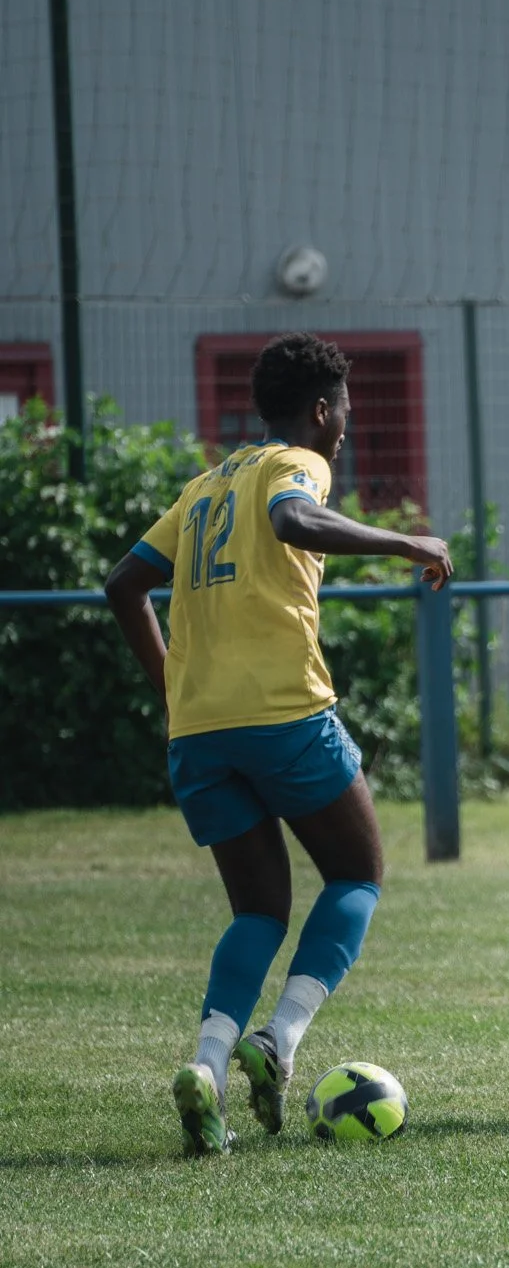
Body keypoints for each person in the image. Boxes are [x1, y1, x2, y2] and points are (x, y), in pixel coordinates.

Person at [105, 331, 453, 1155]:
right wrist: (407, 542)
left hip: (199, 731)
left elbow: (123, 585)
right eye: (345, 416)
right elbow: (294, 519)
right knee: (358, 873)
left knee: (258, 907)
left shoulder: (203, 487)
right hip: (284, 714)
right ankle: (280, 1041)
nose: (346, 431)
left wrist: (171, 686)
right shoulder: (298, 462)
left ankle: (209, 1067)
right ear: (322, 410)